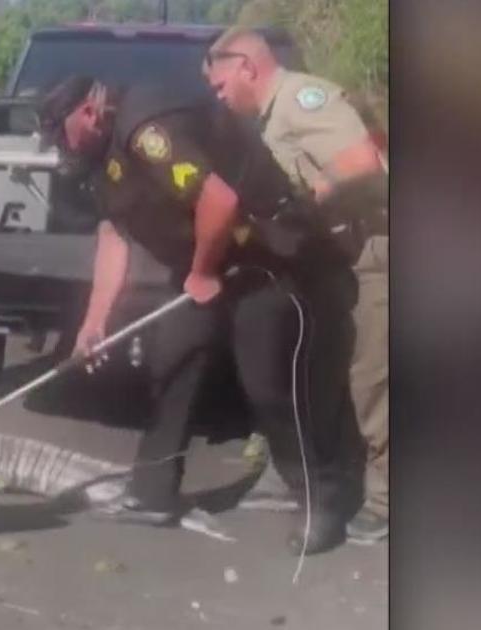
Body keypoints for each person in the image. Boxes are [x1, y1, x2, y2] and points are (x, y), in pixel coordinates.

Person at [36, 75, 357, 553]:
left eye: (61, 134)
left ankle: (322, 499)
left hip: (263, 256)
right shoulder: (99, 161)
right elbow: (115, 236)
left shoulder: (145, 131)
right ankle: (152, 492)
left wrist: (203, 272)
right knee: (175, 361)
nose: (60, 147)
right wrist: (94, 321)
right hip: (202, 262)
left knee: (266, 383)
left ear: (86, 112)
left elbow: (219, 199)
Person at [203, 28, 389, 543]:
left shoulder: (302, 100)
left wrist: (313, 195)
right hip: (338, 257)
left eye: (220, 85)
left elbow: (362, 163)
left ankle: (385, 503)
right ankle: (347, 479)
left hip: (375, 248)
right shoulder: (265, 120)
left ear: (247, 66)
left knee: (371, 381)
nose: (219, 96)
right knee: (334, 374)